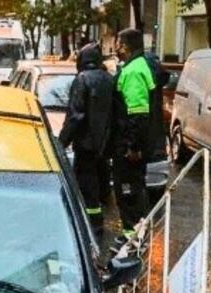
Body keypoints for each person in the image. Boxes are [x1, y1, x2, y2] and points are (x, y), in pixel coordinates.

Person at [58, 43, 112, 233]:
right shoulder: (109, 79)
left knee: (86, 186)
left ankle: (90, 224)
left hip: (85, 145)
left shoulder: (82, 80)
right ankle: (98, 221)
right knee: (100, 184)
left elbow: (75, 116)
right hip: (105, 145)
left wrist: (61, 143)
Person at [110, 28, 155, 236]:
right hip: (130, 141)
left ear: (126, 46)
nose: (116, 48)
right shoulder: (135, 66)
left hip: (128, 145)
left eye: (118, 44)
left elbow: (137, 114)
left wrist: (132, 146)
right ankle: (136, 233)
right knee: (133, 188)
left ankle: (132, 236)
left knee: (128, 190)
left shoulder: (133, 72)